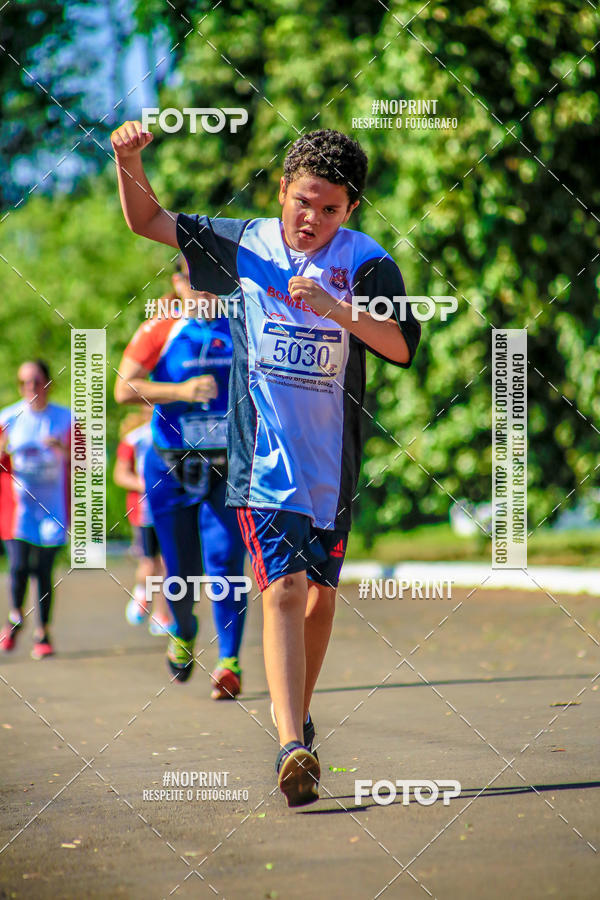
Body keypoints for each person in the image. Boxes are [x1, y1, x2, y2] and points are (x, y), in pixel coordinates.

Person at [110, 123, 420, 806]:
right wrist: (128, 161)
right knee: (281, 589)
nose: (313, 219)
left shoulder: (367, 262)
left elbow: (400, 345)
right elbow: (148, 221)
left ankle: (296, 719)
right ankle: (289, 746)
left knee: (319, 597)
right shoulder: (244, 242)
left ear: (351, 209)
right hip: (264, 460)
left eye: (330, 208)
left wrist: (338, 309)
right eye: (303, 201)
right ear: (282, 190)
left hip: (332, 464)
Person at [114, 261, 248, 700]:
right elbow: (123, 388)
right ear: (177, 283)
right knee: (181, 569)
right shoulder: (161, 327)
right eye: (195, 281)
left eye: (215, 280)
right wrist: (181, 392)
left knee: (226, 561)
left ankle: (229, 662)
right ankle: (185, 630)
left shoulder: (241, 323)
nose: (205, 290)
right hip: (170, 467)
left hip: (226, 465)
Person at [0, 360, 70, 659]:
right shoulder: (7, 418)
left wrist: (62, 449)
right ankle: (15, 616)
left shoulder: (67, 419)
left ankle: (43, 632)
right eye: (24, 382)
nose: (31, 387)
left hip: (53, 507)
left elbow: (89, 462)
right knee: (18, 566)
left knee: (43, 570)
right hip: (18, 508)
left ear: (49, 383)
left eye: (36, 381)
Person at [113, 407, 171, 635]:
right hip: (144, 511)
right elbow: (120, 474)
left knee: (167, 563)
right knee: (149, 562)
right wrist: (146, 486)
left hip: (169, 508)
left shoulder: (173, 435)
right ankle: (142, 590)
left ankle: (161, 614)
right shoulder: (134, 439)